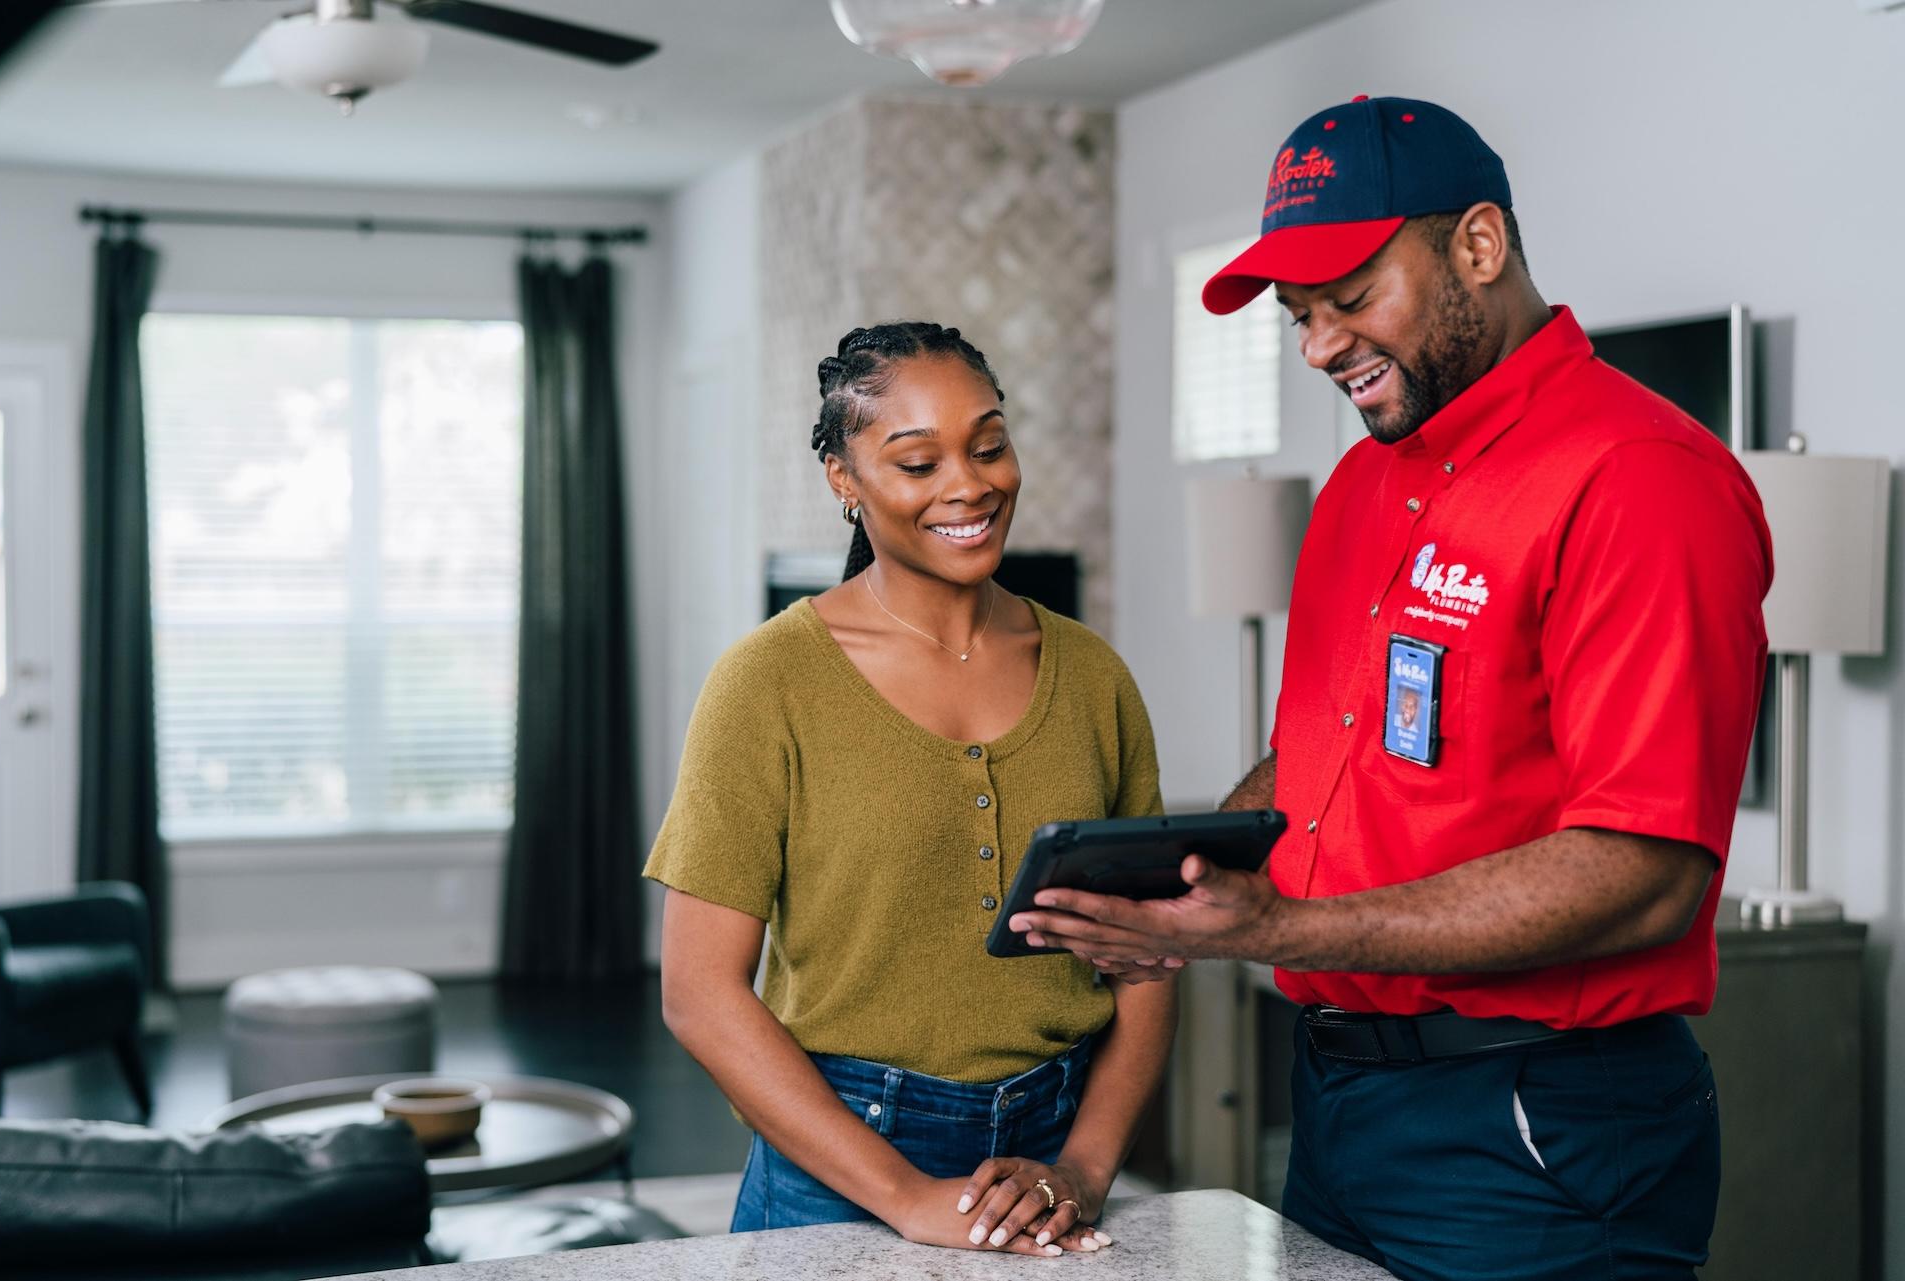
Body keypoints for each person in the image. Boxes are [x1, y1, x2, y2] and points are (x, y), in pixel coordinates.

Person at [1008, 96, 1772, 1281]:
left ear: (1477, 244)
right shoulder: (1362, 489)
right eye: (1299, 316)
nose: (1318, 346)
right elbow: (1322, 763)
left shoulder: (1639, 480)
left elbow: (1646, 874)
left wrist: (1279, 929)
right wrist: (1175, 883)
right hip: (1341, 1103)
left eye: (1352, 299)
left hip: (1533, 1120)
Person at [649, 322, 1176, 1258]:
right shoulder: (767, 682)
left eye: (988, 445)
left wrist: (1086, 1170)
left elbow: (1145, 964)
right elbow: (698, 992)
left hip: (1055, 1163)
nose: (968, 484)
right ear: (844, 482)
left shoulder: (1095, 676)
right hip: (838, 1160)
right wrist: (905, 1194)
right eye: (917, 461)